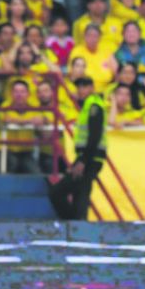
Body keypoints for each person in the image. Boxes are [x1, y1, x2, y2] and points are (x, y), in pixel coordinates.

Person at [48, 77, 107, 220]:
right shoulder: (88, 105)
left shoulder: (93, 106)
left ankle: (73, 224)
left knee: (60, 192)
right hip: (89, 157)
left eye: (85, 86)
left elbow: (94, 136)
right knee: (81, 193)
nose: (81, 90)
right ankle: (76, 225)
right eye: (79, 87)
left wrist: (82, 160)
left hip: (89, 158)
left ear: (92, 88)